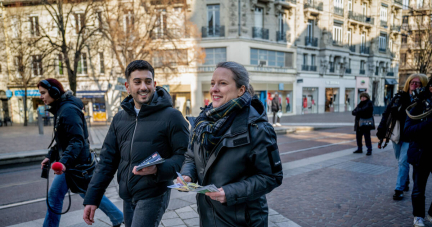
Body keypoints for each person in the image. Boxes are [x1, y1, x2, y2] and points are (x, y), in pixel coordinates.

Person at [83, 60, 189, 227]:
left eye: (148, 81)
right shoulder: (119, 118)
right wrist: (92, 198)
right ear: (128, 86)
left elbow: (185, 156)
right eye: (137, 82)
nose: (143, 87)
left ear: (154, 84)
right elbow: (107, 161)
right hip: (126, 195)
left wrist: (158, 169)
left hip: (154, 193)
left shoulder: (172, 116)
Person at [179, 61, 283, 227]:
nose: (214, 89)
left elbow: (272, 177)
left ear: (241, 90)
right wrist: (187, 175)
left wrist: (230, 192)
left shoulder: (258, 128)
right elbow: (191, 156)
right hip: (208, 216)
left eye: (223, 83)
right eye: (213, 83)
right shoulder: (202, 122)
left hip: (243, 221)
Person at [38, 79, 123, 227]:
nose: (41, 96)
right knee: (87, 193)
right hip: (73, 163)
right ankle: (118, 217)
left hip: (75, 165)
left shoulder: (68, 110)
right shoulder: (62, 109)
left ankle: (118, 217)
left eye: (43, 93)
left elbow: (77, 140)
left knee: (57, 197)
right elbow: (64, 140)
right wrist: (49, 157)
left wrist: (62, 162)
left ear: (54, 92)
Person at [377, 74, 427, 201]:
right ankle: (405, 181)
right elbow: (387, 114)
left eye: (418, 83)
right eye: (412, 82)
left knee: (402, 162)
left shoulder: (423, 100)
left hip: (411, 136)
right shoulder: (399, 97)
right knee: (400, 160)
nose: (414, 85)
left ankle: (399, 189)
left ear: (423, 85)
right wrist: (381, 132)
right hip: (397, 134)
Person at [404, 76, 432, 227]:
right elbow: (408, 131)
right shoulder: (419, 104)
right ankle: (418, 216)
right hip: (420, 152)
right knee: (418, 189)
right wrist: (428, 123)